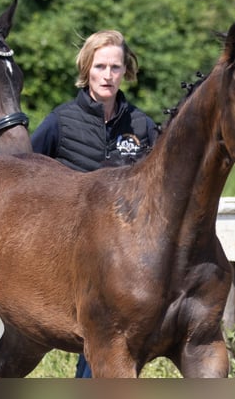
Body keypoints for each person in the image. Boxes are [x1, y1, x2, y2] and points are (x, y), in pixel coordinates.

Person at [31, 29, 158, 378]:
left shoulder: (142, 126)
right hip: (68, 253)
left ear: (125, 72)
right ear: (87, 68)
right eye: (100, 66)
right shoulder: (60, 121)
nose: (107, 75)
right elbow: (25, 173)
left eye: (115, 67)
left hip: (127, 261)